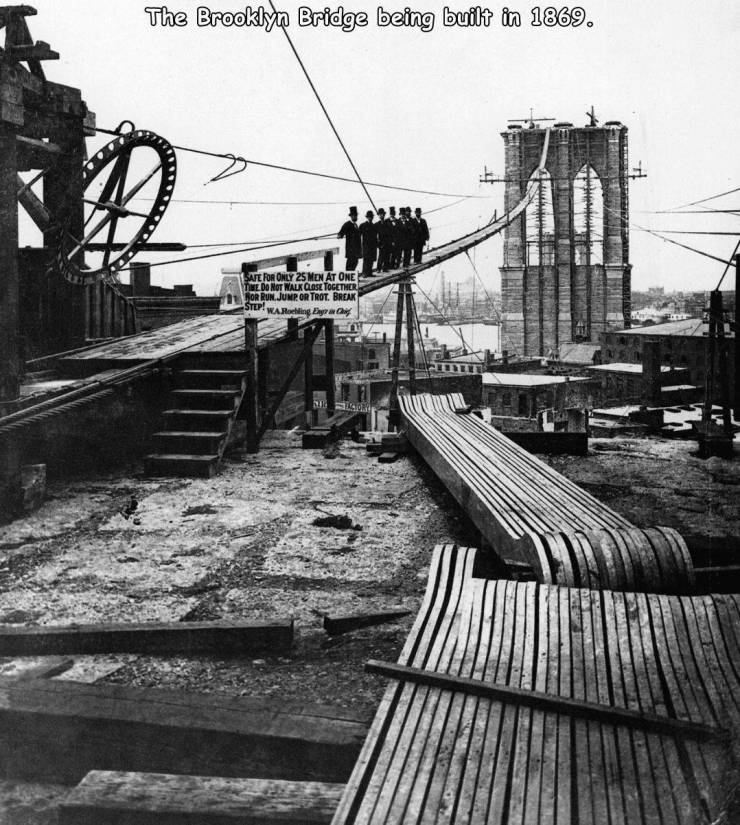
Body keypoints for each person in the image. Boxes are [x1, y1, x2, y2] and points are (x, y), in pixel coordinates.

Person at [337, 206, 361, 270]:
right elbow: (340, 233)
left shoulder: (355, 225)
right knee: (350, 264)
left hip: (356, 249)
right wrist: (340, 235)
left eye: (356, 215)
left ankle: (352, 276)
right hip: (350, 249)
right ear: (351, 216)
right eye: (354, 216)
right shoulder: (347, 224)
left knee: (355, 262)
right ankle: (349, 277)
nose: (355, 217)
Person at [359, 210, 377, 278]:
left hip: (373, 245)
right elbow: (358, 234)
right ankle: (364, 273)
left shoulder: (373, 225)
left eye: (371, 217)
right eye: (369, 217)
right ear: (367, 217)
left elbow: (376, 236)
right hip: (366, 245)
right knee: (366, 260)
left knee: (371, 259)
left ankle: (369, 273)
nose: (370, 218)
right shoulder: (363, 225)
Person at [375, 208, 392, 272]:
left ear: (384, 215)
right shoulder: (377, 224)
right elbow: (375, 234)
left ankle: (385, 268)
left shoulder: (387, 223)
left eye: (382, 214)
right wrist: (378, 243)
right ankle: (378, 269)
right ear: (379, 216)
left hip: (387, 242)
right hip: (381, 243)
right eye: (380, 215)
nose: (381, 216)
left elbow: (390, 232)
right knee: (381, 256)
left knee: (387, 256)